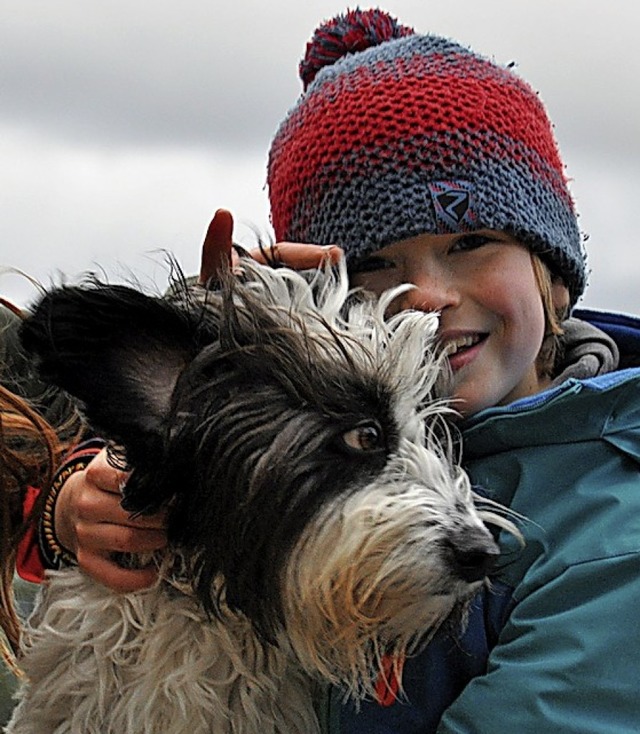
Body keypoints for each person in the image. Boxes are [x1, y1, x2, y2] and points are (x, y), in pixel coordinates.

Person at [17, 7, 640, 733]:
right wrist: (74, 505)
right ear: (322, 292)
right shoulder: (319, 427)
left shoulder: (612, 532)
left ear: (554, 275)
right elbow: (175, 464)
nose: (431, 297)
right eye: (376, 263)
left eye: (472, 241)